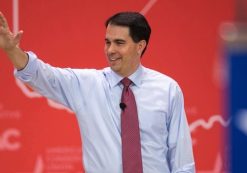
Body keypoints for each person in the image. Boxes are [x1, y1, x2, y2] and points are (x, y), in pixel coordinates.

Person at [0, 11, 195, 173]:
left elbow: (182, 161)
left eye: (119, 43)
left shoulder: (168, 89)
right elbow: (41, 75)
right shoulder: (87, 84)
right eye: (107, 42)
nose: (110, 50)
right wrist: (11, 50)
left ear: (140, 46)